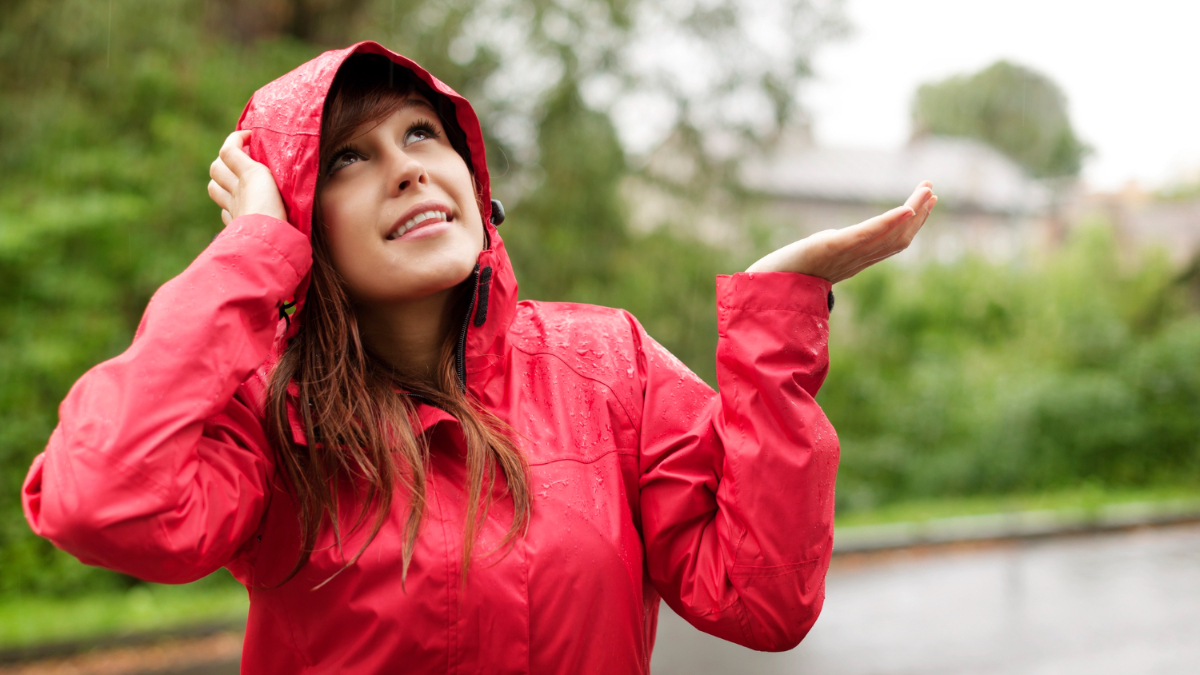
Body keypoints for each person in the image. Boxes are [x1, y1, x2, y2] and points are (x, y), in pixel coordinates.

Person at [21, 42, 936, 673]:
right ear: (304, 222)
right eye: (348, 157)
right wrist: (251, 255)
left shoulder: (605, 363)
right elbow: (97, 497)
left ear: (472, 176)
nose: (409, 167)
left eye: (423, 134)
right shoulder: (273, 416)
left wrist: (773, 326)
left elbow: (760, 598)